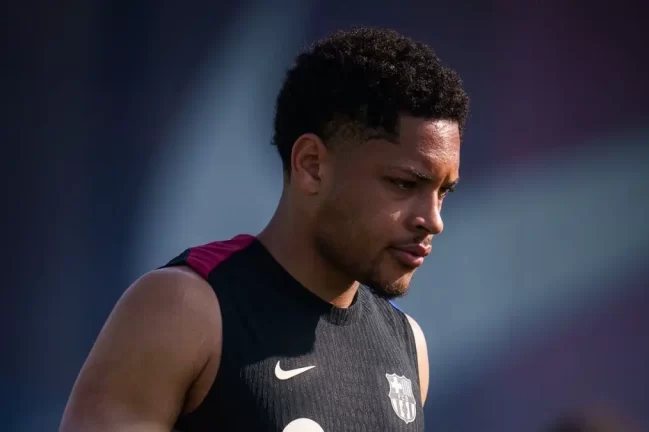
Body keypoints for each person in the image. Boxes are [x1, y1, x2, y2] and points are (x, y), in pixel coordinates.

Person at [60, 27, 469, 432]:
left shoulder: (407, 344)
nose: (433, 219)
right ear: (311, 164)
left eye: (443, 192)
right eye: (405, 184)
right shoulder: (186, 308)